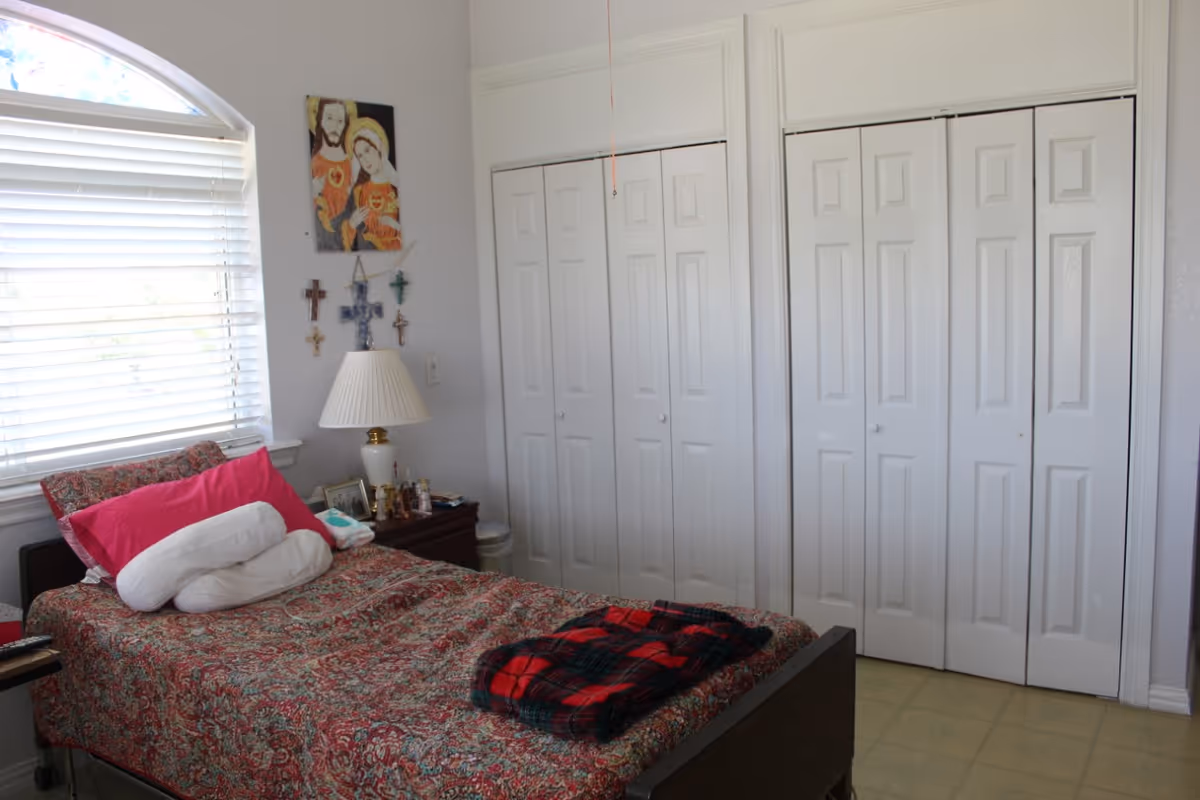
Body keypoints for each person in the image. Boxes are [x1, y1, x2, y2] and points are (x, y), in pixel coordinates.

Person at [343, 117, 403, 251]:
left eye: (367, 150)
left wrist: (394, 225)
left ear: (379, 147)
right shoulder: (359, 193)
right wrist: (352, 224)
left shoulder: (396, 188)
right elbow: (345, 245)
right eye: (360, 156)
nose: (365, 160)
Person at [309, 97, 358, 251]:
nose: (335, 126)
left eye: (340, 121)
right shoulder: (314, 164)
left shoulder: (353, 164)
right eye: (329, 118)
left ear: (345, 126)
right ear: (320, 121)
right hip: (325, 241)